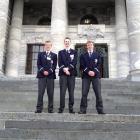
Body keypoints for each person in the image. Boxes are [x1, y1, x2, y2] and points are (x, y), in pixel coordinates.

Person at [78, 41, 105, 114]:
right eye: (88, 45)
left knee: (98, 93)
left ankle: (100, 110)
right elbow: (82, 66)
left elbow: (99, 65)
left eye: (91, 45)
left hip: (96, 76)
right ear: (86, 46)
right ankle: (83, 110)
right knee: (84, 93)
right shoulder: (83, 55)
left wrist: (94, 71)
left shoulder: (97, 55)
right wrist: (88, 71)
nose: (89, 46)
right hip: (86, 76)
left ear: (93, 46)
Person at [35, 41, 57, 113]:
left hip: (50, 76)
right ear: (45, 46)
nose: (48, 46)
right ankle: (39, 108)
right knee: (40, 93)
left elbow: (54, 66)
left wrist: (49, 71)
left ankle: (50, 109)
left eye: (49, 45)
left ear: (51, 46)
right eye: (46, 45)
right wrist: (43, 71)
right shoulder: (40, 54)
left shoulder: (54, 55)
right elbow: (38, 64)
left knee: (50, 93)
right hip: (41, 76)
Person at [58, 37, 77, 113]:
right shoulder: (60, 52)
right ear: (64, 43)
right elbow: (59, 63)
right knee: (62, 92)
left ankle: (71, 108)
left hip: (71, 74)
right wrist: (65, 70)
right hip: (63, 74)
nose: (67, 42)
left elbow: (74, 62)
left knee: (71, 92)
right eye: (65, 41)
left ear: (70, 42)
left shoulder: (74, 52)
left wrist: (68, 69)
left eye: (68, 41)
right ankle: (61, 108)